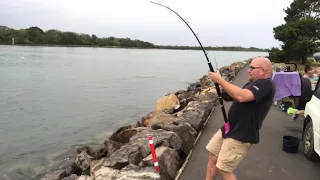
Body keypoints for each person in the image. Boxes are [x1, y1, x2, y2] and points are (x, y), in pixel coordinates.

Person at [205, 57, 275, 180]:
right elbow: (236, 96)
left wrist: (220, 80)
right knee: (213, 157)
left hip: (241, 134)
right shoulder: (253, 83)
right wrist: (223, 90)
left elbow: (242, 96)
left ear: (263, 71)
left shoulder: (266, 84)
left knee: (224, 169)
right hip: (229, 128)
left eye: (252, 68)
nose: (248, 70)